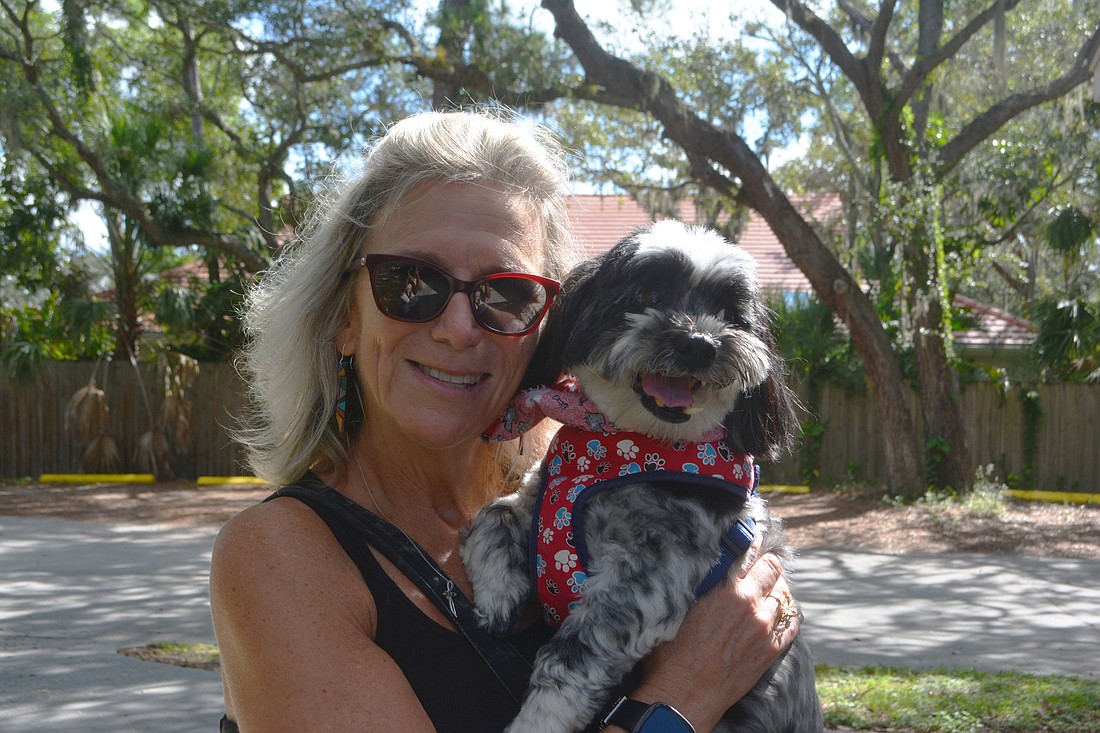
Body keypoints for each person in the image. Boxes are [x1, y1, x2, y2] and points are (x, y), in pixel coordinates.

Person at [209, 109, 803, 733]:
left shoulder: (578, 477)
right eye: (411, 282)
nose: (458, 329)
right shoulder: (282, 559)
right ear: (343, 318)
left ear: (547, 325)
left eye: (506, 293)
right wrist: (683, 698)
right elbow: (692, 678)